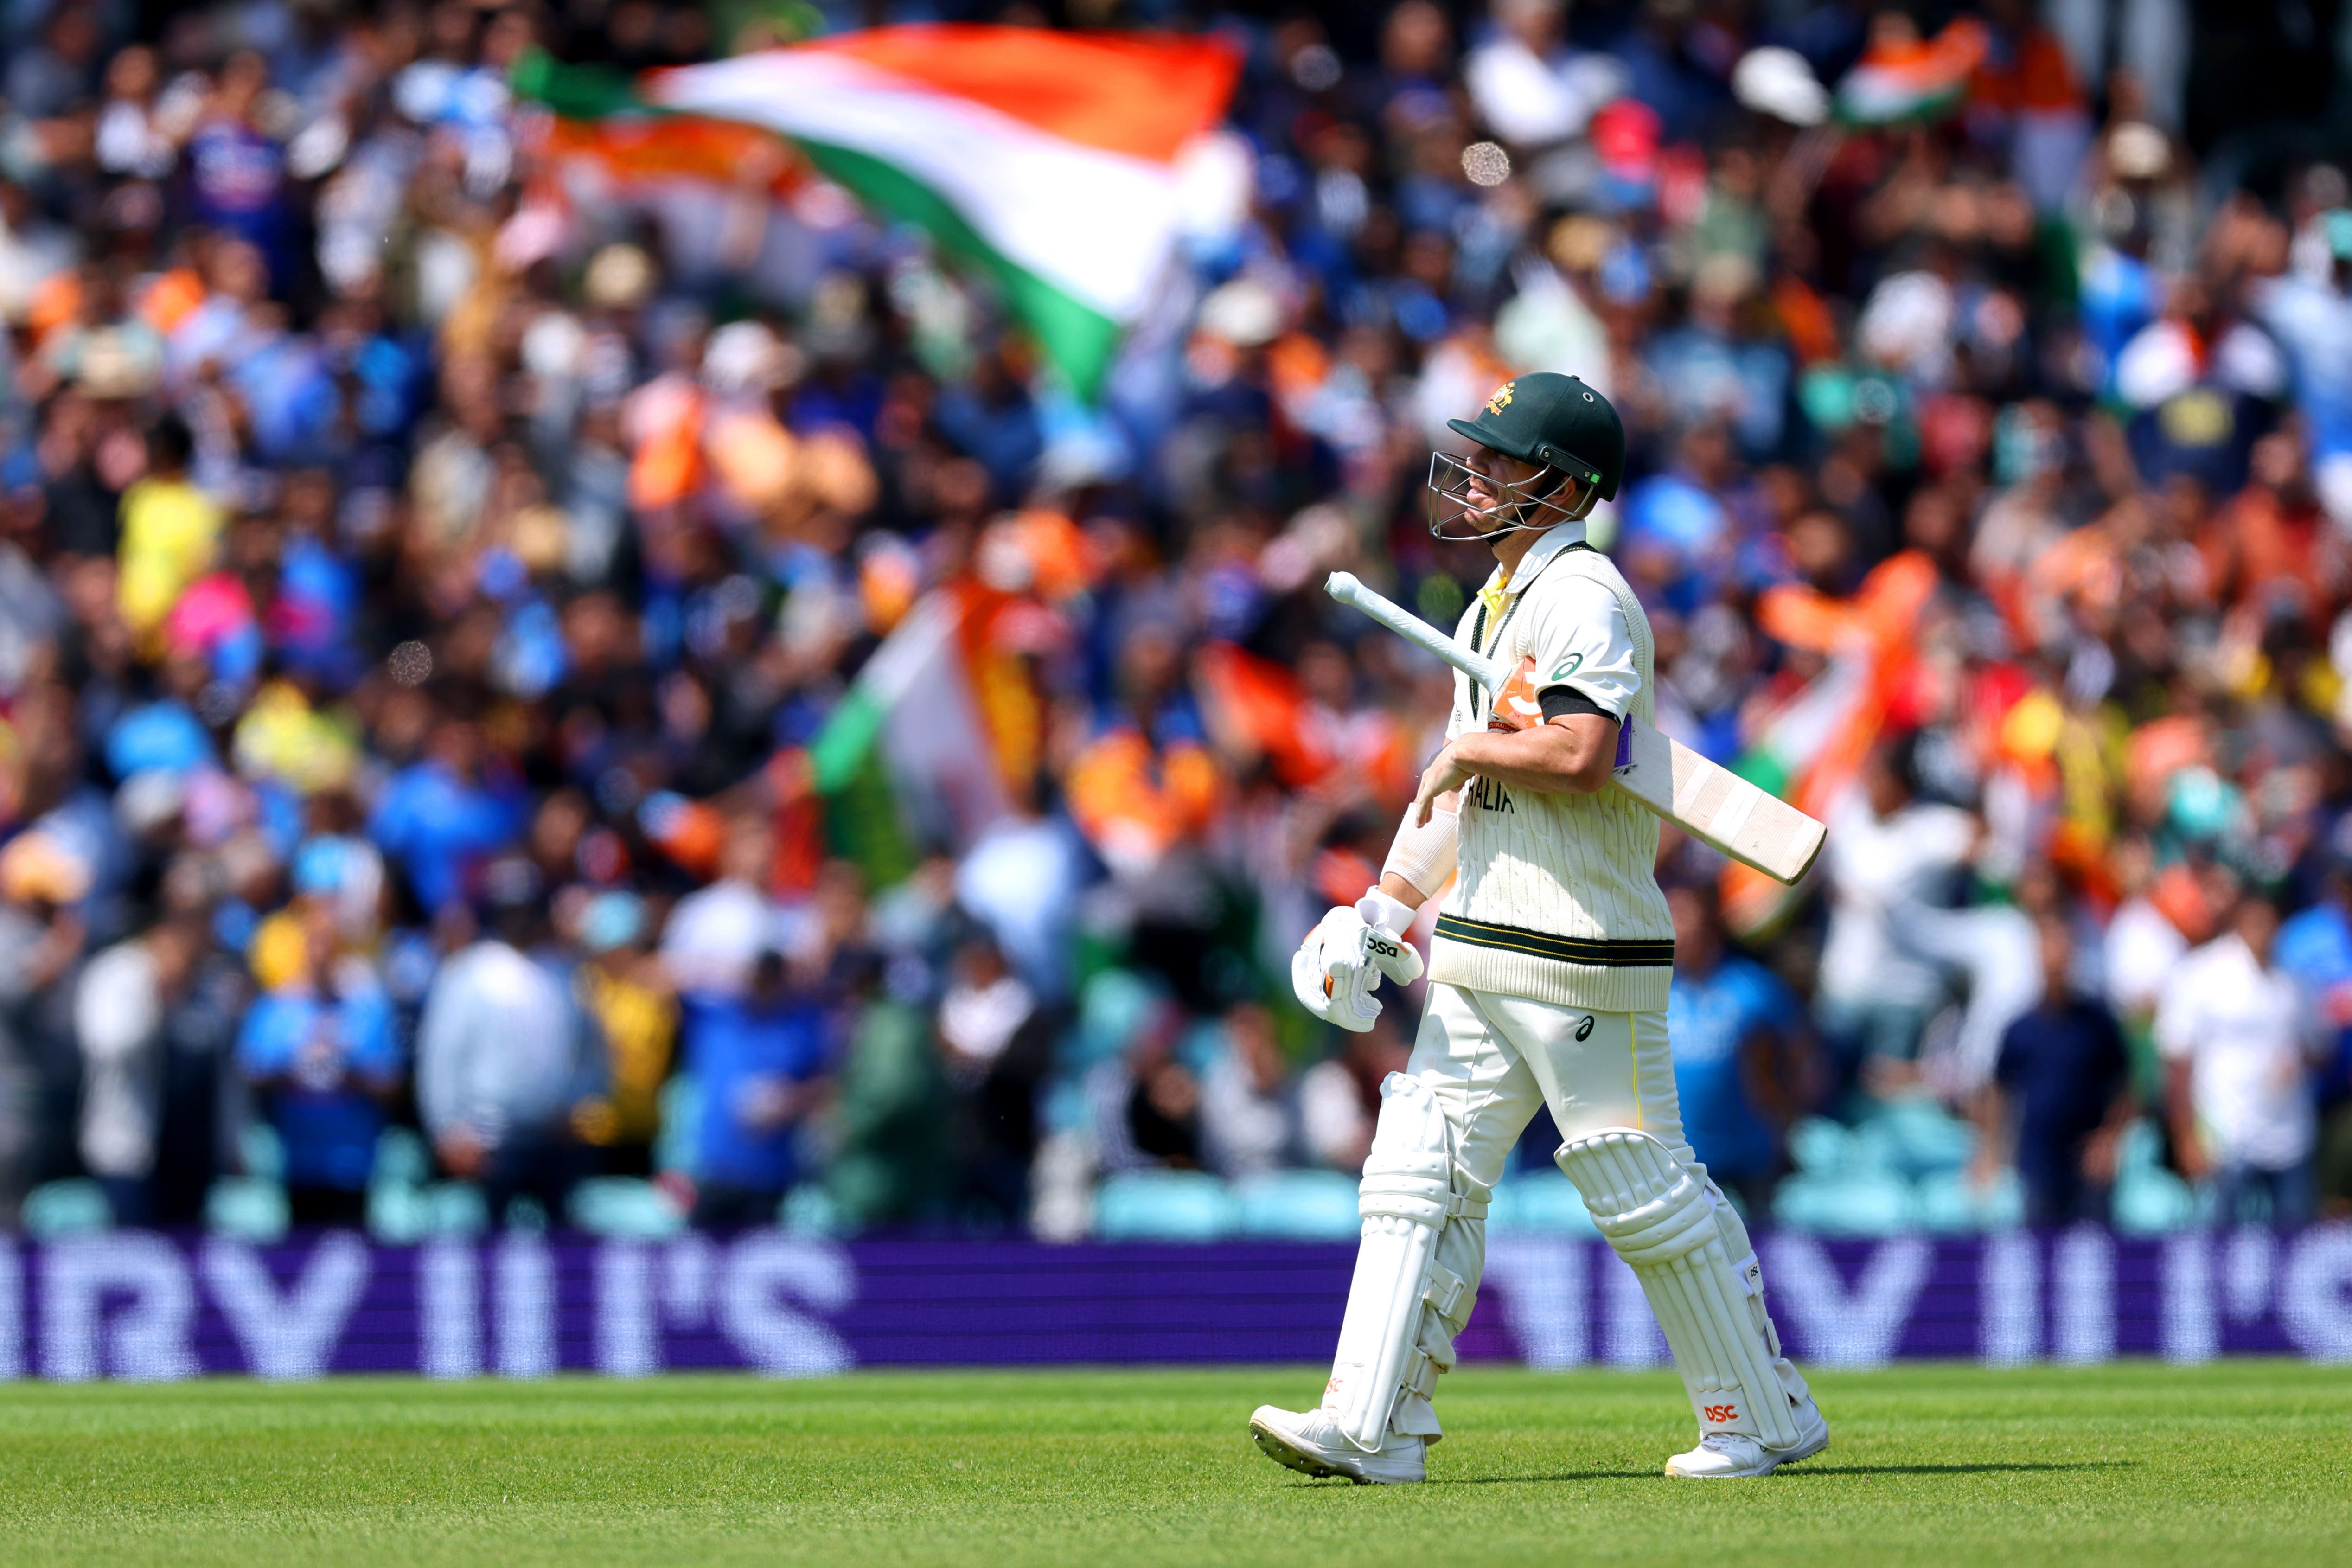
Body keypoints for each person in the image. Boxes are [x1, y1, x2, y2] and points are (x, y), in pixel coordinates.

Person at [1251, 374, 1825, 1485]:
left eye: (1499, 461)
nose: (1474, 476)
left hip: (1580, 952)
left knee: (1637, 1184)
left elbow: (1576, 753)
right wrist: (1384, 908)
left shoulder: (1587, 598)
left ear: (1560, 485)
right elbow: (1460, 797)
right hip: (1478, 946)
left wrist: (1468, 751)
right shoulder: (1491, 604)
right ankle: (1372, 1428)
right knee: (1416, 1170)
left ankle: (1758, 1416)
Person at [415, 859, 597, 1225]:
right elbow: (440, 1056)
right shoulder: (469, 971)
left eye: (528, 910)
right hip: (485, 1138)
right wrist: (448, 1129)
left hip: (551, 1135)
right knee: (489, 1258)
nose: (520, 920)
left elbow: (592, 1049)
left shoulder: (562, 972)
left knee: (559, 1258)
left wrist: (580, 1103)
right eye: (512, 911)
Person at [2157, 895, 2327, 1228]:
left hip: (2289, 1136)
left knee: (2293, 1246)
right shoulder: (2203, 973)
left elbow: (2320, 1049)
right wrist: (2185, 1136)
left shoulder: (2296, 983)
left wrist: (2299, 1062)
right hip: (2227, 1135)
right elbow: (2178, 1061)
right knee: (2223, 1246)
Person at [1664, 883, 1814, 1216]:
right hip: (1683, 1159)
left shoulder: (1754, 988)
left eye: (1684, 916)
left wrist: (1787, 1118)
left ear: (1711, 921)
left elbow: (1802, 1059)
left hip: (1754, 1159)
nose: (1676, 929)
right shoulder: (1653, 994)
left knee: (1758, 1256)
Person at [1983, 917, 2134, 1226]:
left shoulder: (2098, 1023)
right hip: (2038, 1159)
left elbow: (2126, 1084)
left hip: (2088, 1161)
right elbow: (1999, 1090)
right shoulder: (2019, 1028)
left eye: (2062, 950)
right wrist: (1990, 1151)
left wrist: (2109, 1139)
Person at [685, 947, 829, 1228]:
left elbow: (827, 1084)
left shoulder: (802, 1025)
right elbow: (662, 978)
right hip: (715, 1167)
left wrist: (790, 1101)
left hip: (770, 1173)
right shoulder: (716, 1017)